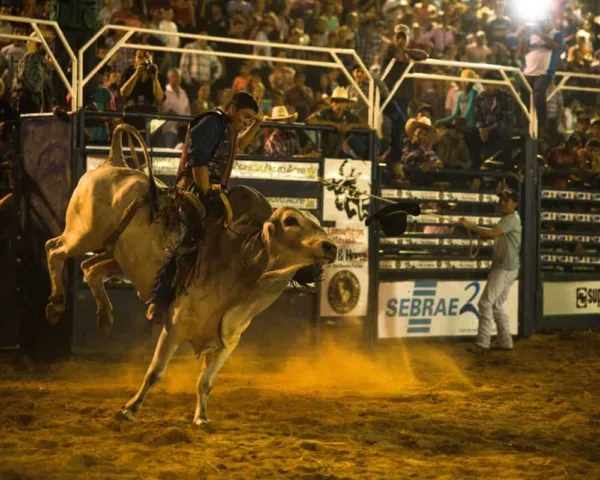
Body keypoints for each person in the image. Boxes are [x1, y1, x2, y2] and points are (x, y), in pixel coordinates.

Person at [146, 92, 263, 323]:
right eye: (246, 116)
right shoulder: (212, 121)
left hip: (212, 190)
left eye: (251, 118)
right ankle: (158, 300)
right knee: (190, 238)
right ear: (231, 108)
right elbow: (198, 159)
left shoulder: (227, 127)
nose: (247, 120)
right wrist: (208, 193)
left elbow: (238, 145)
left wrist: (257, 123)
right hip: (192, 190)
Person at [459, 188, 521, 352]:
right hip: (510, 267)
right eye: (500, 200)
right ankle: (504, 340)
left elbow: (493, 234)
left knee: (486, 303)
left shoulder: (509, 219)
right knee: (497, 305)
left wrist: (469, 225)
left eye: (506, 200)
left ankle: (482, 342)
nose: (501, 203)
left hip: (503, 268)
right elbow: (493, 234)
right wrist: (480, 232)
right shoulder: (510, 219)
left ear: (515, 204)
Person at [307, 86, 367, 158]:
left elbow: (366, 125)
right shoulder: (325, 113)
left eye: (342, 102)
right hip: (323, 153)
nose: (338, 105)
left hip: (339, 154)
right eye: (336, 101)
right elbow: (309, 121)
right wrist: (333, 124)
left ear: (346, 104)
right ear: (331, 103)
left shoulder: (349, 116)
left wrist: (351, 125)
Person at [160, 68, 191, 148]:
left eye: (178, 76)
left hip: (184, 130)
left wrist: (184, 121)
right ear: (169, 78)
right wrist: (181, 119)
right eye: (173, 76)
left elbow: (188, 110)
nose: (176, 78)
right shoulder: (165, 91)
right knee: (168, 154)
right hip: (169, 129)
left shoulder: (183, 93)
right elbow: (167, 109)